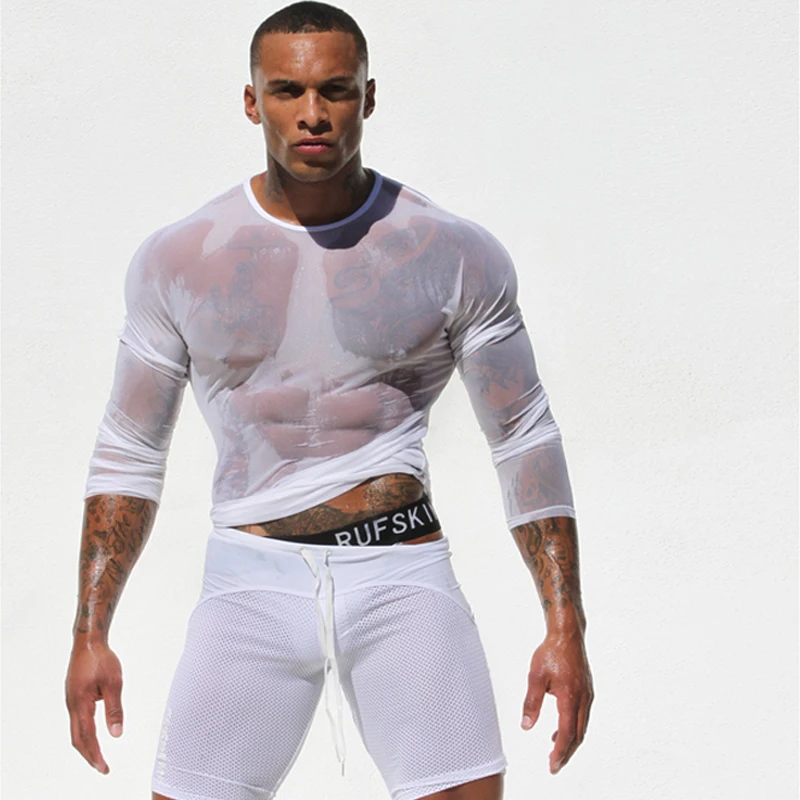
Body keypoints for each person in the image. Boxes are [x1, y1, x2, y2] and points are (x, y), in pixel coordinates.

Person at [65, 3, 594, 799]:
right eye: (288, 91)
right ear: (253, 102)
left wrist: (564, 625)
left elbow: (522, 434)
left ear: (367, 97)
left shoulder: (448, 251)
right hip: (250, 580)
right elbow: (130, 449)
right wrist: (89, 633)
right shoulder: (183, 259)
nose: (312, 113)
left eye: (335, 90)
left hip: (401, 574)